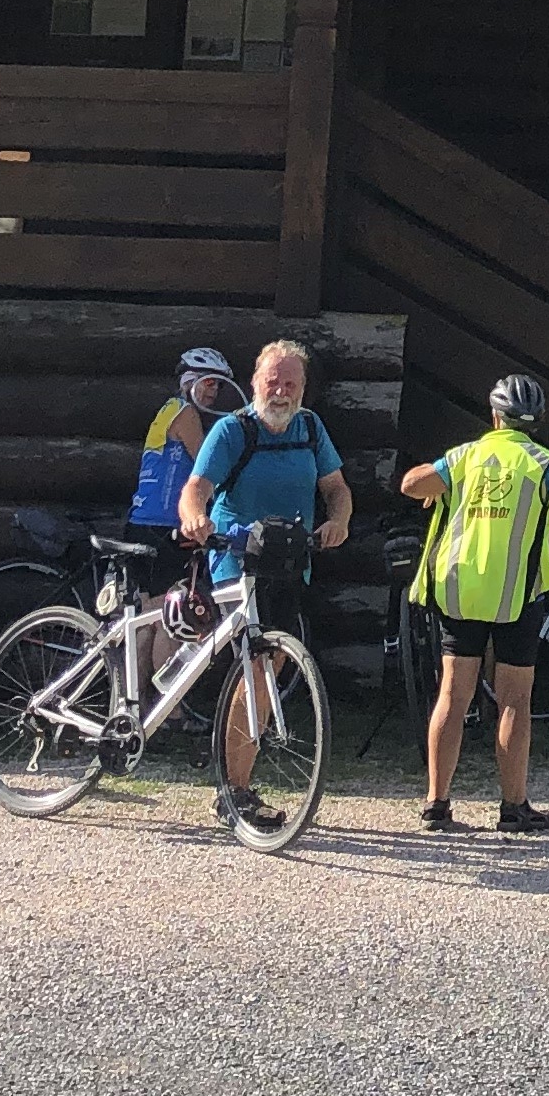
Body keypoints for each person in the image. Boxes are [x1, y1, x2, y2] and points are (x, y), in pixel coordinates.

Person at [399, 371, 549, 836]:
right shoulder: (543, 461)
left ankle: (437, 805)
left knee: (452, 693)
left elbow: (412, 483)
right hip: (517, 590)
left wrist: (440, 492)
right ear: (536, 422)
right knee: (514, 699)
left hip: (460, 587)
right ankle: (514, 808)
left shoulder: (466, 455)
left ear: (494, 415)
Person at [179, 339, 353, 827]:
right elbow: (197, 489)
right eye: (272, 381)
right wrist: (195, 519)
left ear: (303, 389)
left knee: (267, 669)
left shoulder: (311, 428)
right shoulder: (233, 431)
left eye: (291, 383)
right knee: (256, 670)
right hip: (236, 559)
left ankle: (235, 786)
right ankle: (234, 792)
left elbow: (337, 489)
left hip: (288, 561)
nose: (281, 391)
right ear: (254, 382)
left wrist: (338, 521)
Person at [130, 345, 242, 532]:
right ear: (190, 381)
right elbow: (207, 465)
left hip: (144, 519)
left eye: (219, 385)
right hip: (166, 525)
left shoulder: (170, 408)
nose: (214, 390)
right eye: (209, 382)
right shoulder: (186, 413)